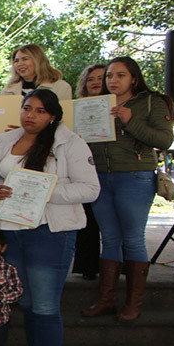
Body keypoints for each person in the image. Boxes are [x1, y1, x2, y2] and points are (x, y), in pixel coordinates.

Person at [0, 89, 100, 346]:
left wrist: (43, 191)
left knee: (47, 307)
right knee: (29, 303)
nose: (30, 115)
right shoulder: (8, 141)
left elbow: (91, 189)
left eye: (38, 110)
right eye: (26, 108)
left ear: (52, 115)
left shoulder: (71, 143)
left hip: (50, 232)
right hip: (13, 229)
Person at [81, 56, 174, 323]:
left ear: (134, 78)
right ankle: (106, 300)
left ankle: (133, 305)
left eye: (120, 75)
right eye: (109, 76)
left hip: (135, 177)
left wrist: (130, 120)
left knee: (132, 239)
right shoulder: (97, 104)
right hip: (100, 177)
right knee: (110, 239)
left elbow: (164, 139)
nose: (112, 80)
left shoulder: (150, 102)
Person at [72, 63, 107, 280]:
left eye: (101, 78)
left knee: (111, 227)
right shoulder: (75, 107)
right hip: (81, 168)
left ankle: (116, 268)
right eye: (90, 79)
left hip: (108, 170)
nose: (95, 82)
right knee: (87, 222)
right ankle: (87, 268)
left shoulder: (120, 108)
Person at [0, 44, 72, 101]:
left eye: (25, 59)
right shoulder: (8, 90)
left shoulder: (60, 87)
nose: (20, 64)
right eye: (16, 61)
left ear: (38, 61)